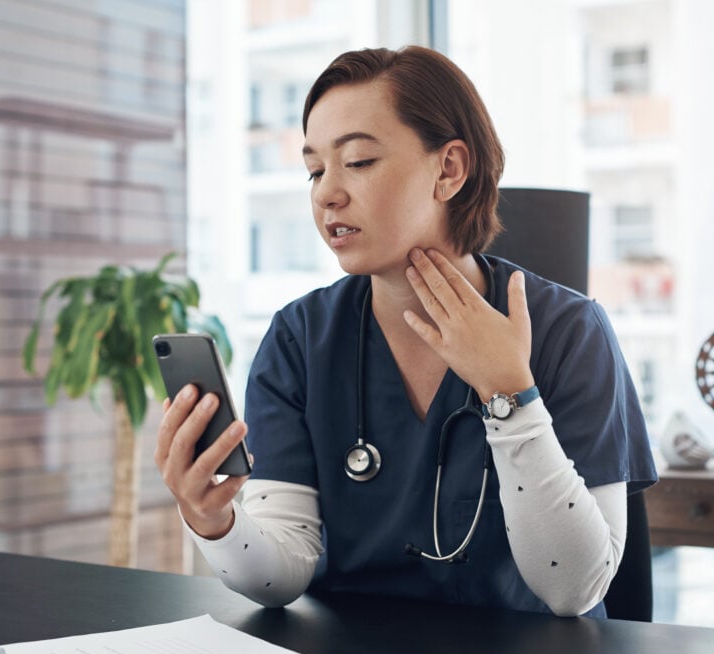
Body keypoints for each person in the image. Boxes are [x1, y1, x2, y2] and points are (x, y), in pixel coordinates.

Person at [154, 46, 657, 618]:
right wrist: (214, 520)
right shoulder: (300, 339)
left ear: (449, 170)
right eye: (315, 170)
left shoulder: (569, 332)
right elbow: (282, 572)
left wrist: (509, 392)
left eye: (359, 162)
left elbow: (575, 590)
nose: (326, 193)